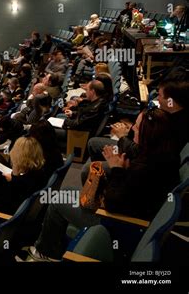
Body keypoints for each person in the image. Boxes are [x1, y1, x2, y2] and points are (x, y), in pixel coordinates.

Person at [21, 108, 180, 262]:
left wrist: (116, 168)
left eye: (137, 127)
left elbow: (112, 202)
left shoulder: (146, 168)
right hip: (124, 210)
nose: (133, 129)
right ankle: (55, 241)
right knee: (67, 191)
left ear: (148, 134)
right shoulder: (163, 153)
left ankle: (47, 252)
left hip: (115, 224)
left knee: (56, 201)